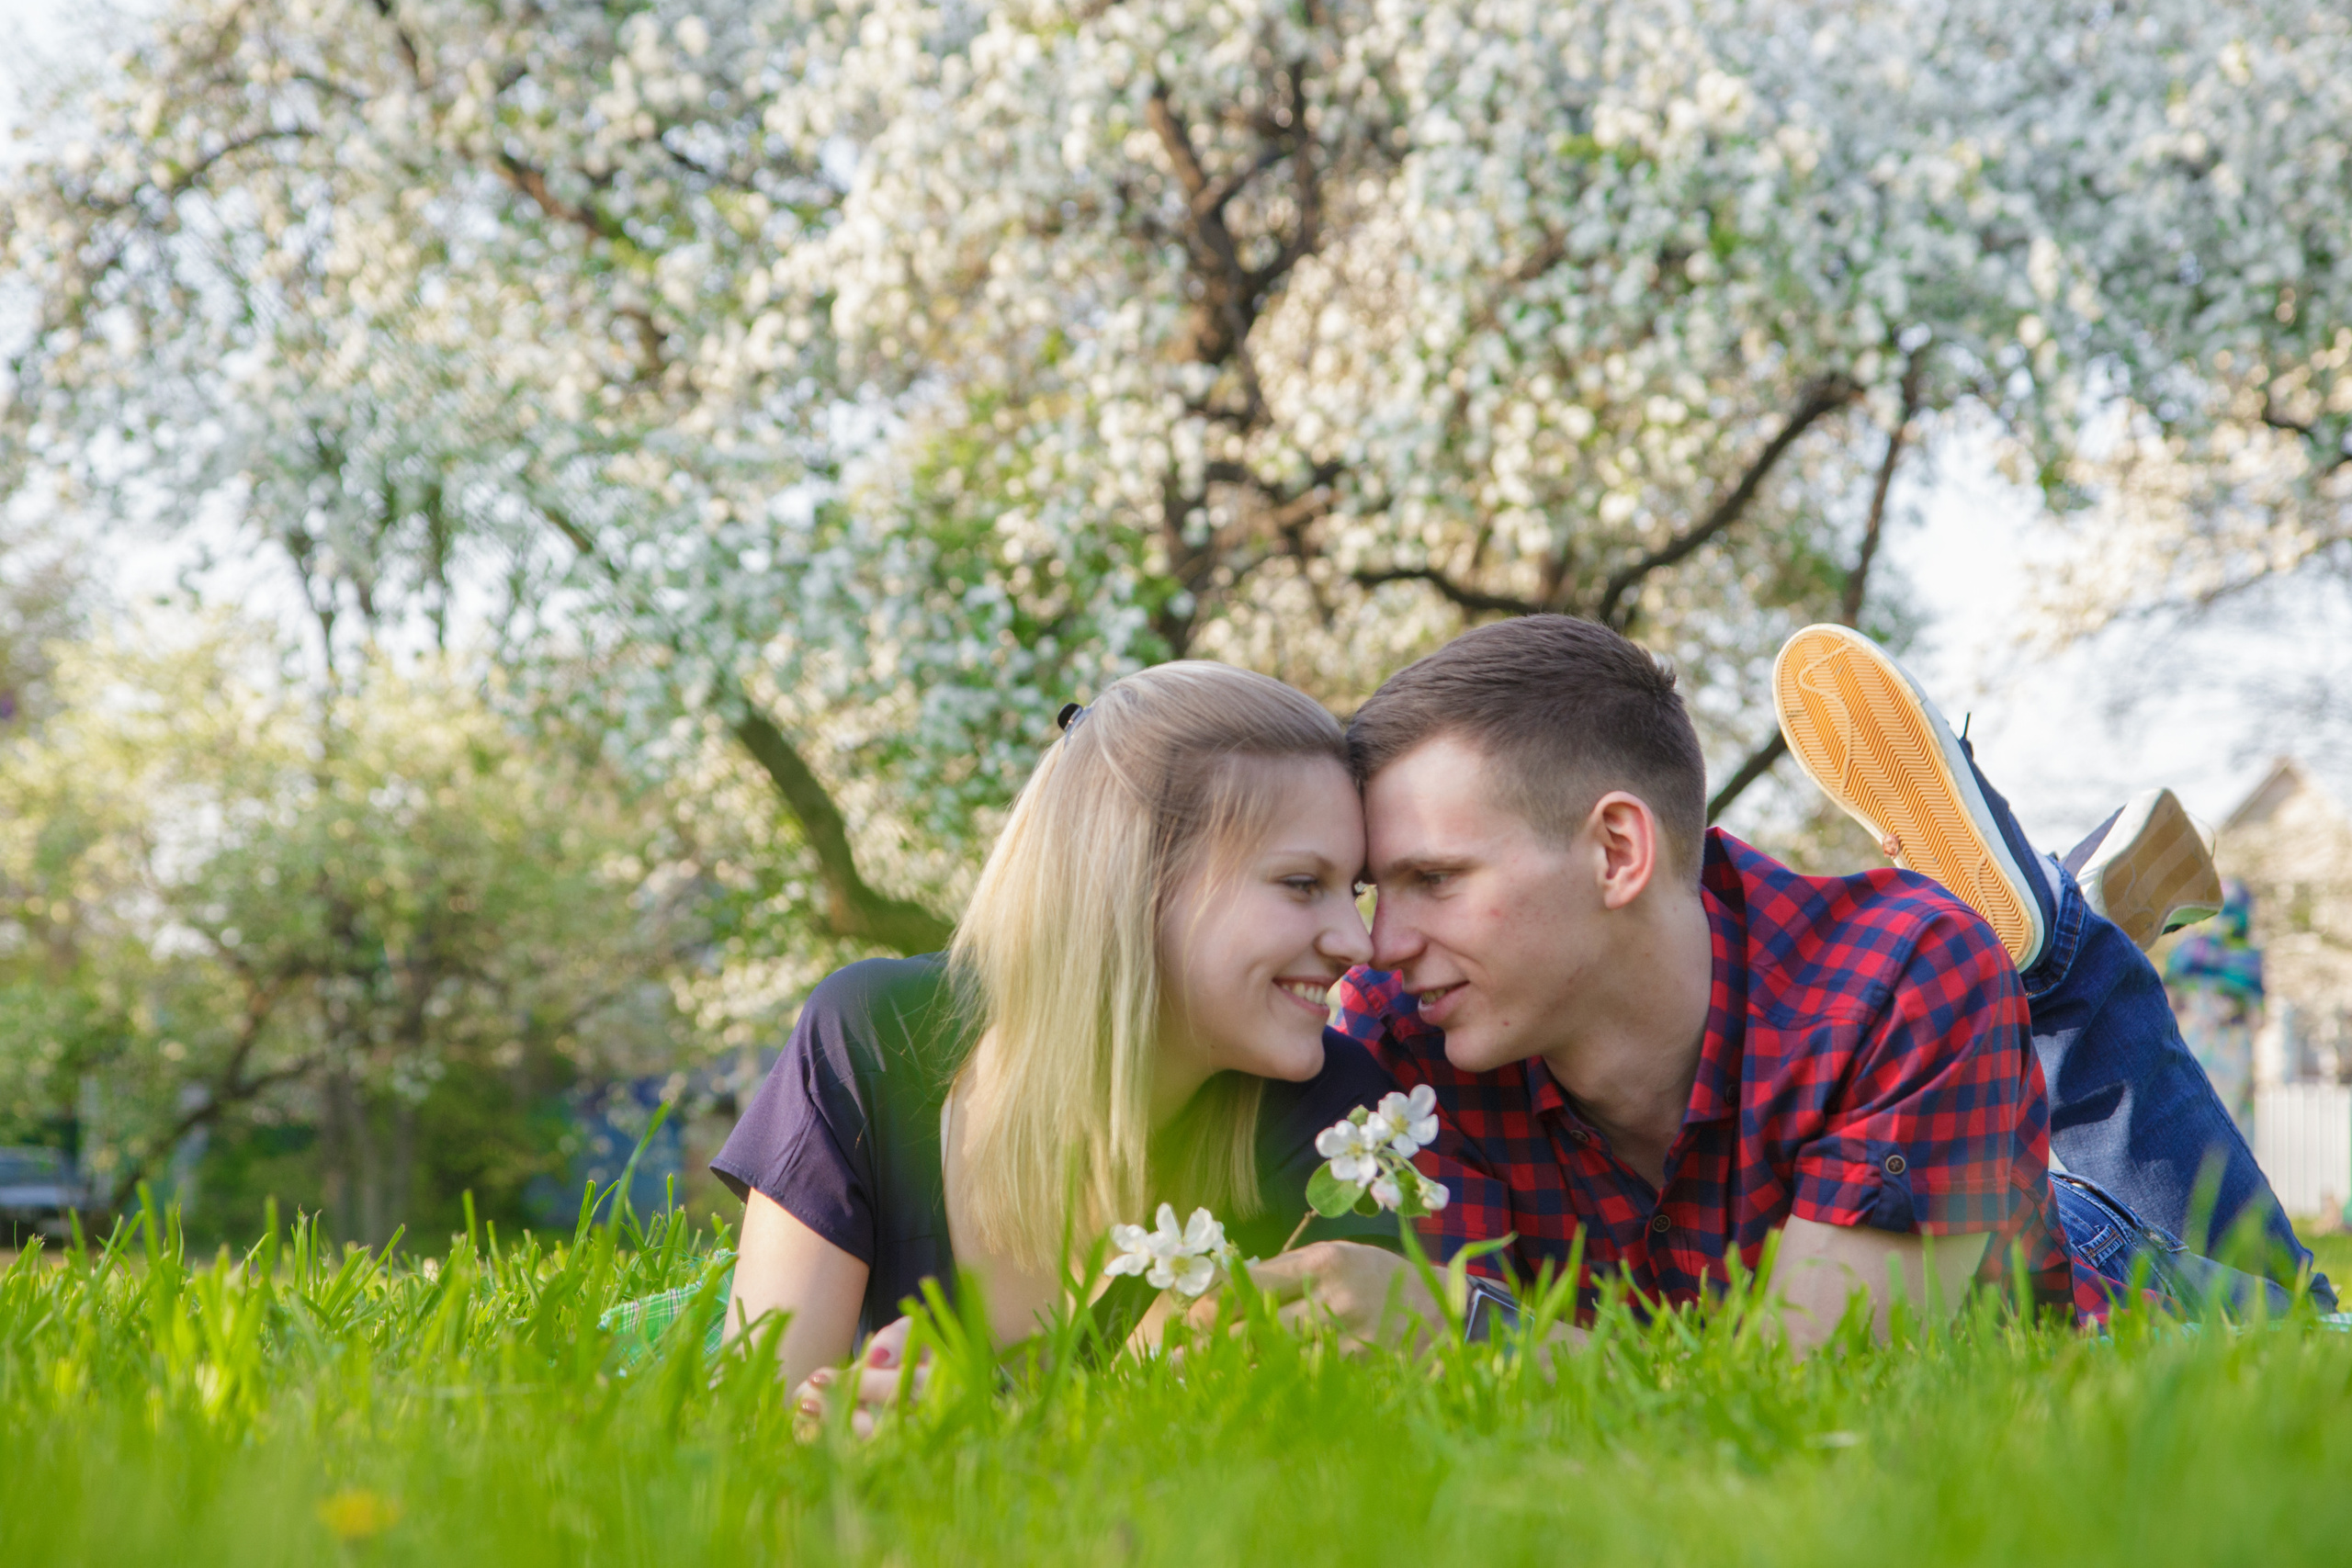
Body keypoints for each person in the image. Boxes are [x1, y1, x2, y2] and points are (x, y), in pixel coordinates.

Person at [1239, 616, 2329, 1357]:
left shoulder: (1897, 977)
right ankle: (2055, 958)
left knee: (2308, 1340)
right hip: (1960, 1164)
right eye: (1382, 889)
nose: (1377, 943)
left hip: (2124, 1308)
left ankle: (2058, 958)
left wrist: (1464, 1328)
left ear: (1617, 852)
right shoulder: (1404, 1035)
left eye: (1433, 880)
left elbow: (1811, 1390)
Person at [708, 660, 1396, 1399]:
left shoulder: (1342, 1121)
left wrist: (980, 1424)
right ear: (1132, 881)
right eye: (1302, 884)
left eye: (1353, 890)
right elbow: (757, 1418)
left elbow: (1251, 1472)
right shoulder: (875, 1036)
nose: (1359, 943)